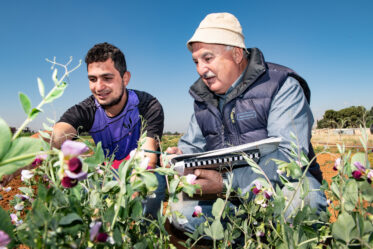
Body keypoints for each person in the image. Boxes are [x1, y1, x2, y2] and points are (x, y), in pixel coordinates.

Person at [165, 13, 326, 233]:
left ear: (237, 54)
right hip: (225, 194)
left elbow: (290, 159)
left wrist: (226, 182)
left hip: (272, 187)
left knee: (302, 201)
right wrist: (178, 156)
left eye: (208, 58)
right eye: (196, 62)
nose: (201, 69)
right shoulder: (203, 98)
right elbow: (192, 148)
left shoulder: (281, 85)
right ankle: (241, 239)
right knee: (180, 213)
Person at [52, 42, 165, 217]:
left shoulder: (147, 105)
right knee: (77, 187)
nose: (98, 87)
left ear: (125, 78)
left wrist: (130, 189)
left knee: (153, 184)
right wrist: (26, 149)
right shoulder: (86, 110)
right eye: (93, 79)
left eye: (107, 78)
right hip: (105, 173)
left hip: (138, 171)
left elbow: (147, 158)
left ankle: (147, 233)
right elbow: (56, 135)